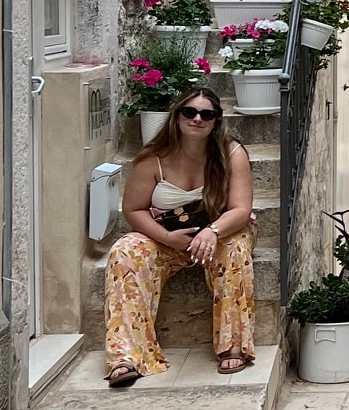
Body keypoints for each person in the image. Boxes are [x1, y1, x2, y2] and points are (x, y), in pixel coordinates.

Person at [103, 84, 255, 386]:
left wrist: (212, 231)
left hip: (222, 232)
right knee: (124, 251)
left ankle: (232, 345)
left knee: (235, 251)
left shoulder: (231, 153)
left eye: (206, 115)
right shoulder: (153, 158)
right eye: (190, 112)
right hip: (167, 238)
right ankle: (126, 356)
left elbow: (240, 208)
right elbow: (133, 210)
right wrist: (167, 238)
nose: (197, 119)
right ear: (177, 116)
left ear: (215, 122)